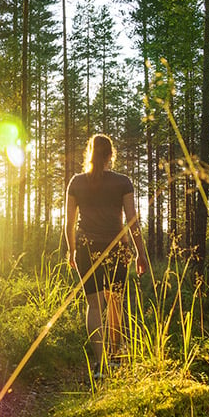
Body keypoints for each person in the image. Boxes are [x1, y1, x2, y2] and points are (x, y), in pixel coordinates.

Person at [64, 134, 148, 378]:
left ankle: (101, 365)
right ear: (111, 155)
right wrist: (140, 253)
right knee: (115, 301)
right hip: (118, 249)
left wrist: (71, 249)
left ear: (89, 154)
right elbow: (132, 220)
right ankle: (116, 359)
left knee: (93, 304)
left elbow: (68, 222)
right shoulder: (123, 182)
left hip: (86, 249)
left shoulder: (76, 182)